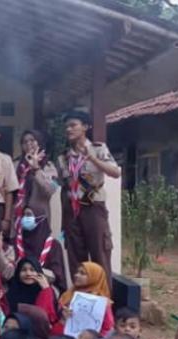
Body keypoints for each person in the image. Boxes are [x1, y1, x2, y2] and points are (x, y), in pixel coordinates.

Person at [57, 111, 121, 282]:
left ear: (85, 127)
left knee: (100, 253)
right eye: (66, 127)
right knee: (75, 258)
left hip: (93, 207)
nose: (69, 129)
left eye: (73, 125)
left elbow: (115, 172)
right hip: (72, 210)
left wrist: (92, 159)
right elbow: (63, 186)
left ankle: (103, 296)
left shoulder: (98, 149)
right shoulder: (63, 157)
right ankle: (80, 295)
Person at [12, 129, 59, 236]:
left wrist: (36, 168)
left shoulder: (48, 166)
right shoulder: (15, 165)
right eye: (25, 142)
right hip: (18, 214)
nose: (28, 144)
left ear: (39, 143)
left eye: (32, 140)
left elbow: (50, 190)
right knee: (18, 243)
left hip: (39, 215)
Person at [14, 206, 67, 292]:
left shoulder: (53, 245)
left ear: (40, 218)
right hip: (19, 287)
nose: (25, 218)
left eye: (29, 215)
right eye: (24, 215)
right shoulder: (17, 242)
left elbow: (57, 275)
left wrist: (34, 272)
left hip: (44, 286)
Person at [55, 261, 114, 336]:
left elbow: (107, 327)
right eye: (77, 272)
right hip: (62, 335)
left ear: (94, 277)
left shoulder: (101, 302)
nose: (76, 275)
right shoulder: (68, 294)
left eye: (82, 273)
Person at [5, 257, 58, 325]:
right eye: (24, 270)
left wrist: (46, 291)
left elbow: (43, 318)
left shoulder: (47, 291)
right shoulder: (13, 291)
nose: (28, 273)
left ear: (39, 273)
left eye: (32, 270)